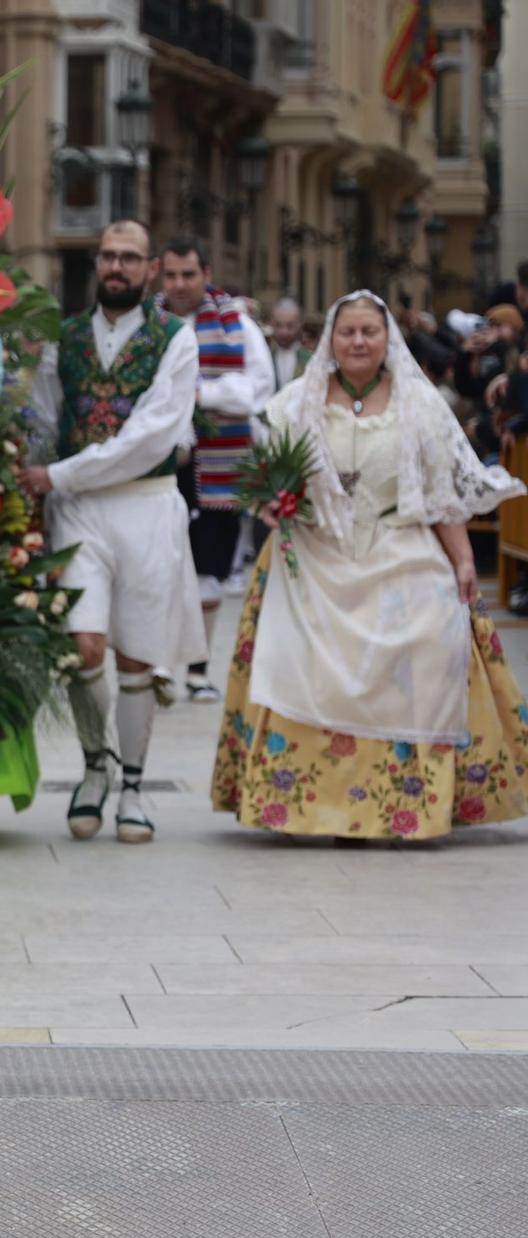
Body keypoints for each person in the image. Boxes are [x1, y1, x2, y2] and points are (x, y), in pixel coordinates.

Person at [212, 290, 528, 840]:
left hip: (398, 542)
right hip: (315, 548)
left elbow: (439, 494)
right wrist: (272, 500)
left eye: (369, 332)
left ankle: (406, 800)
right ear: (331, 339)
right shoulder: (296, 403)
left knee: (435, 628)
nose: (358, 341)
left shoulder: (418, 404)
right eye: (348, 332)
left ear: (389, 341)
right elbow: (271, 478)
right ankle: (313, 802)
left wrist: (461, 561)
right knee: (294, 650)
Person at [24, 219, 203, 844]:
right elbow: (45, 417)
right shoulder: (64, 337)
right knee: (84, 645)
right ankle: (93, 767)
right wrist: (28, 478)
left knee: (134, 653)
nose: (117, 267)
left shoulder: (176, 340)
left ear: (150, 267)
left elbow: (151, 437)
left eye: (130, 257)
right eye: (108, 256)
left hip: (146, 503)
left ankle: (132, 785)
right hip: (76, 510)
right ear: (96, 264)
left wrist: (58, 473)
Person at [155, 238, 272, 704]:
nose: (180, 284)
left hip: (220, 459)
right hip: (161, 460)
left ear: (206, 273)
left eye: (188, 274)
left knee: (210, 567)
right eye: (171, 275)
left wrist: (197, 394)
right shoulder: (148, 323)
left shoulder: (236, 324)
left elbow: (256, 389)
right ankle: (160, 663)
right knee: (159, 564)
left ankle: (199, 670)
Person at [268, 297, 308, 389]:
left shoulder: (311, 361)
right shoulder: (264, 357)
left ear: (300, 325)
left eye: (290, 326)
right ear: (271, 323)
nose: (283, 332)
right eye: (278, 325)